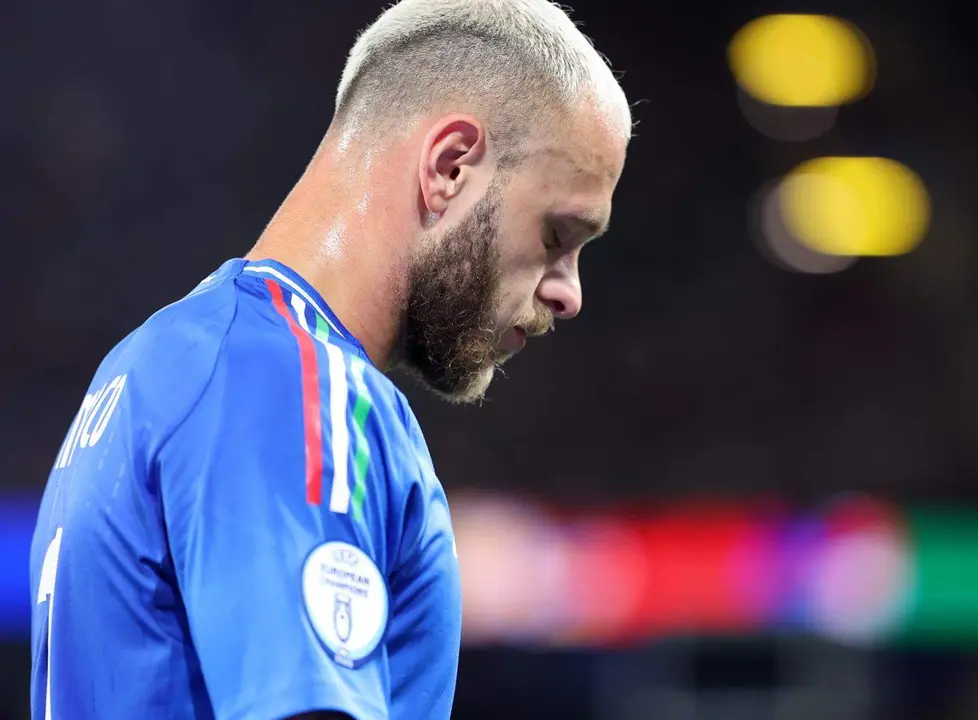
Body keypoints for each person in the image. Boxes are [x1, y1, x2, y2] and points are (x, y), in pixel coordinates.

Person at [28, 0, 631, 717]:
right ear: (450, 165)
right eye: (559, 233)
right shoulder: (297, 387)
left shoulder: (151, 366)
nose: (569, 294)